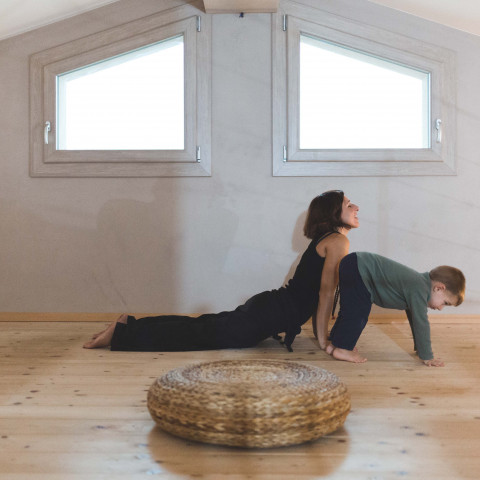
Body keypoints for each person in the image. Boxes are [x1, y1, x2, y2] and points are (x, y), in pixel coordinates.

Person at [83, 190, 359, 351]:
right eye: (348, 205)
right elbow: (324, 295)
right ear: (333, 213)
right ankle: (121, 334)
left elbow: (320, 295)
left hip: (270, 307)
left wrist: (321, 336)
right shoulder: (338, 241)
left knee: (200, 326)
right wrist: (324, 342)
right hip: (271, 312)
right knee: (200, 334)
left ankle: (128, 324)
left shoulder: (328, 241)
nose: (355, 207)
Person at [326, 252, 466, 367]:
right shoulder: (419, 287)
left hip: (354, 263)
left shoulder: (418, 285)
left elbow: (413, 317)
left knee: (350, 309)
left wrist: (419, 348)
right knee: (358, 311)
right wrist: (427, 356)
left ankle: (336, 343)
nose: (441, 308)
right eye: (445, 303)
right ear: (439, 288)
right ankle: (343, 348)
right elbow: (420, 322)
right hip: (359, 267)